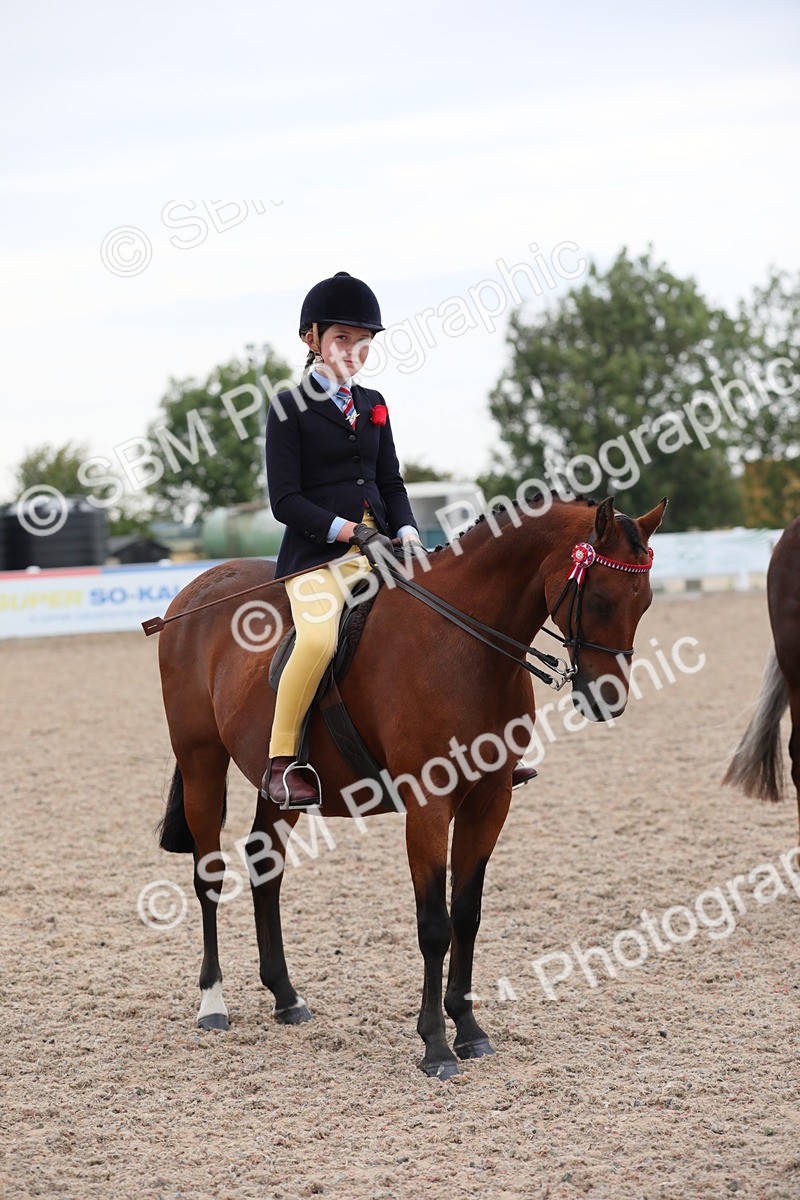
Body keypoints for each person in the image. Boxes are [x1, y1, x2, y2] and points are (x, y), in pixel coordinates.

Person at [262, 271, 422, 810]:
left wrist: (407, 531)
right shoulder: (288, 407)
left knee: (449, 616)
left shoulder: (375, 402)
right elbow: (284, 500)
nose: (354, 352)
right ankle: (282, 763)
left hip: (384, 550)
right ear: (312, 339)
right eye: (342, 340)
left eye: (364, 343)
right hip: (317, 561)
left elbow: (390, 482)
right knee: (317, 642)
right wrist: (350, 531)